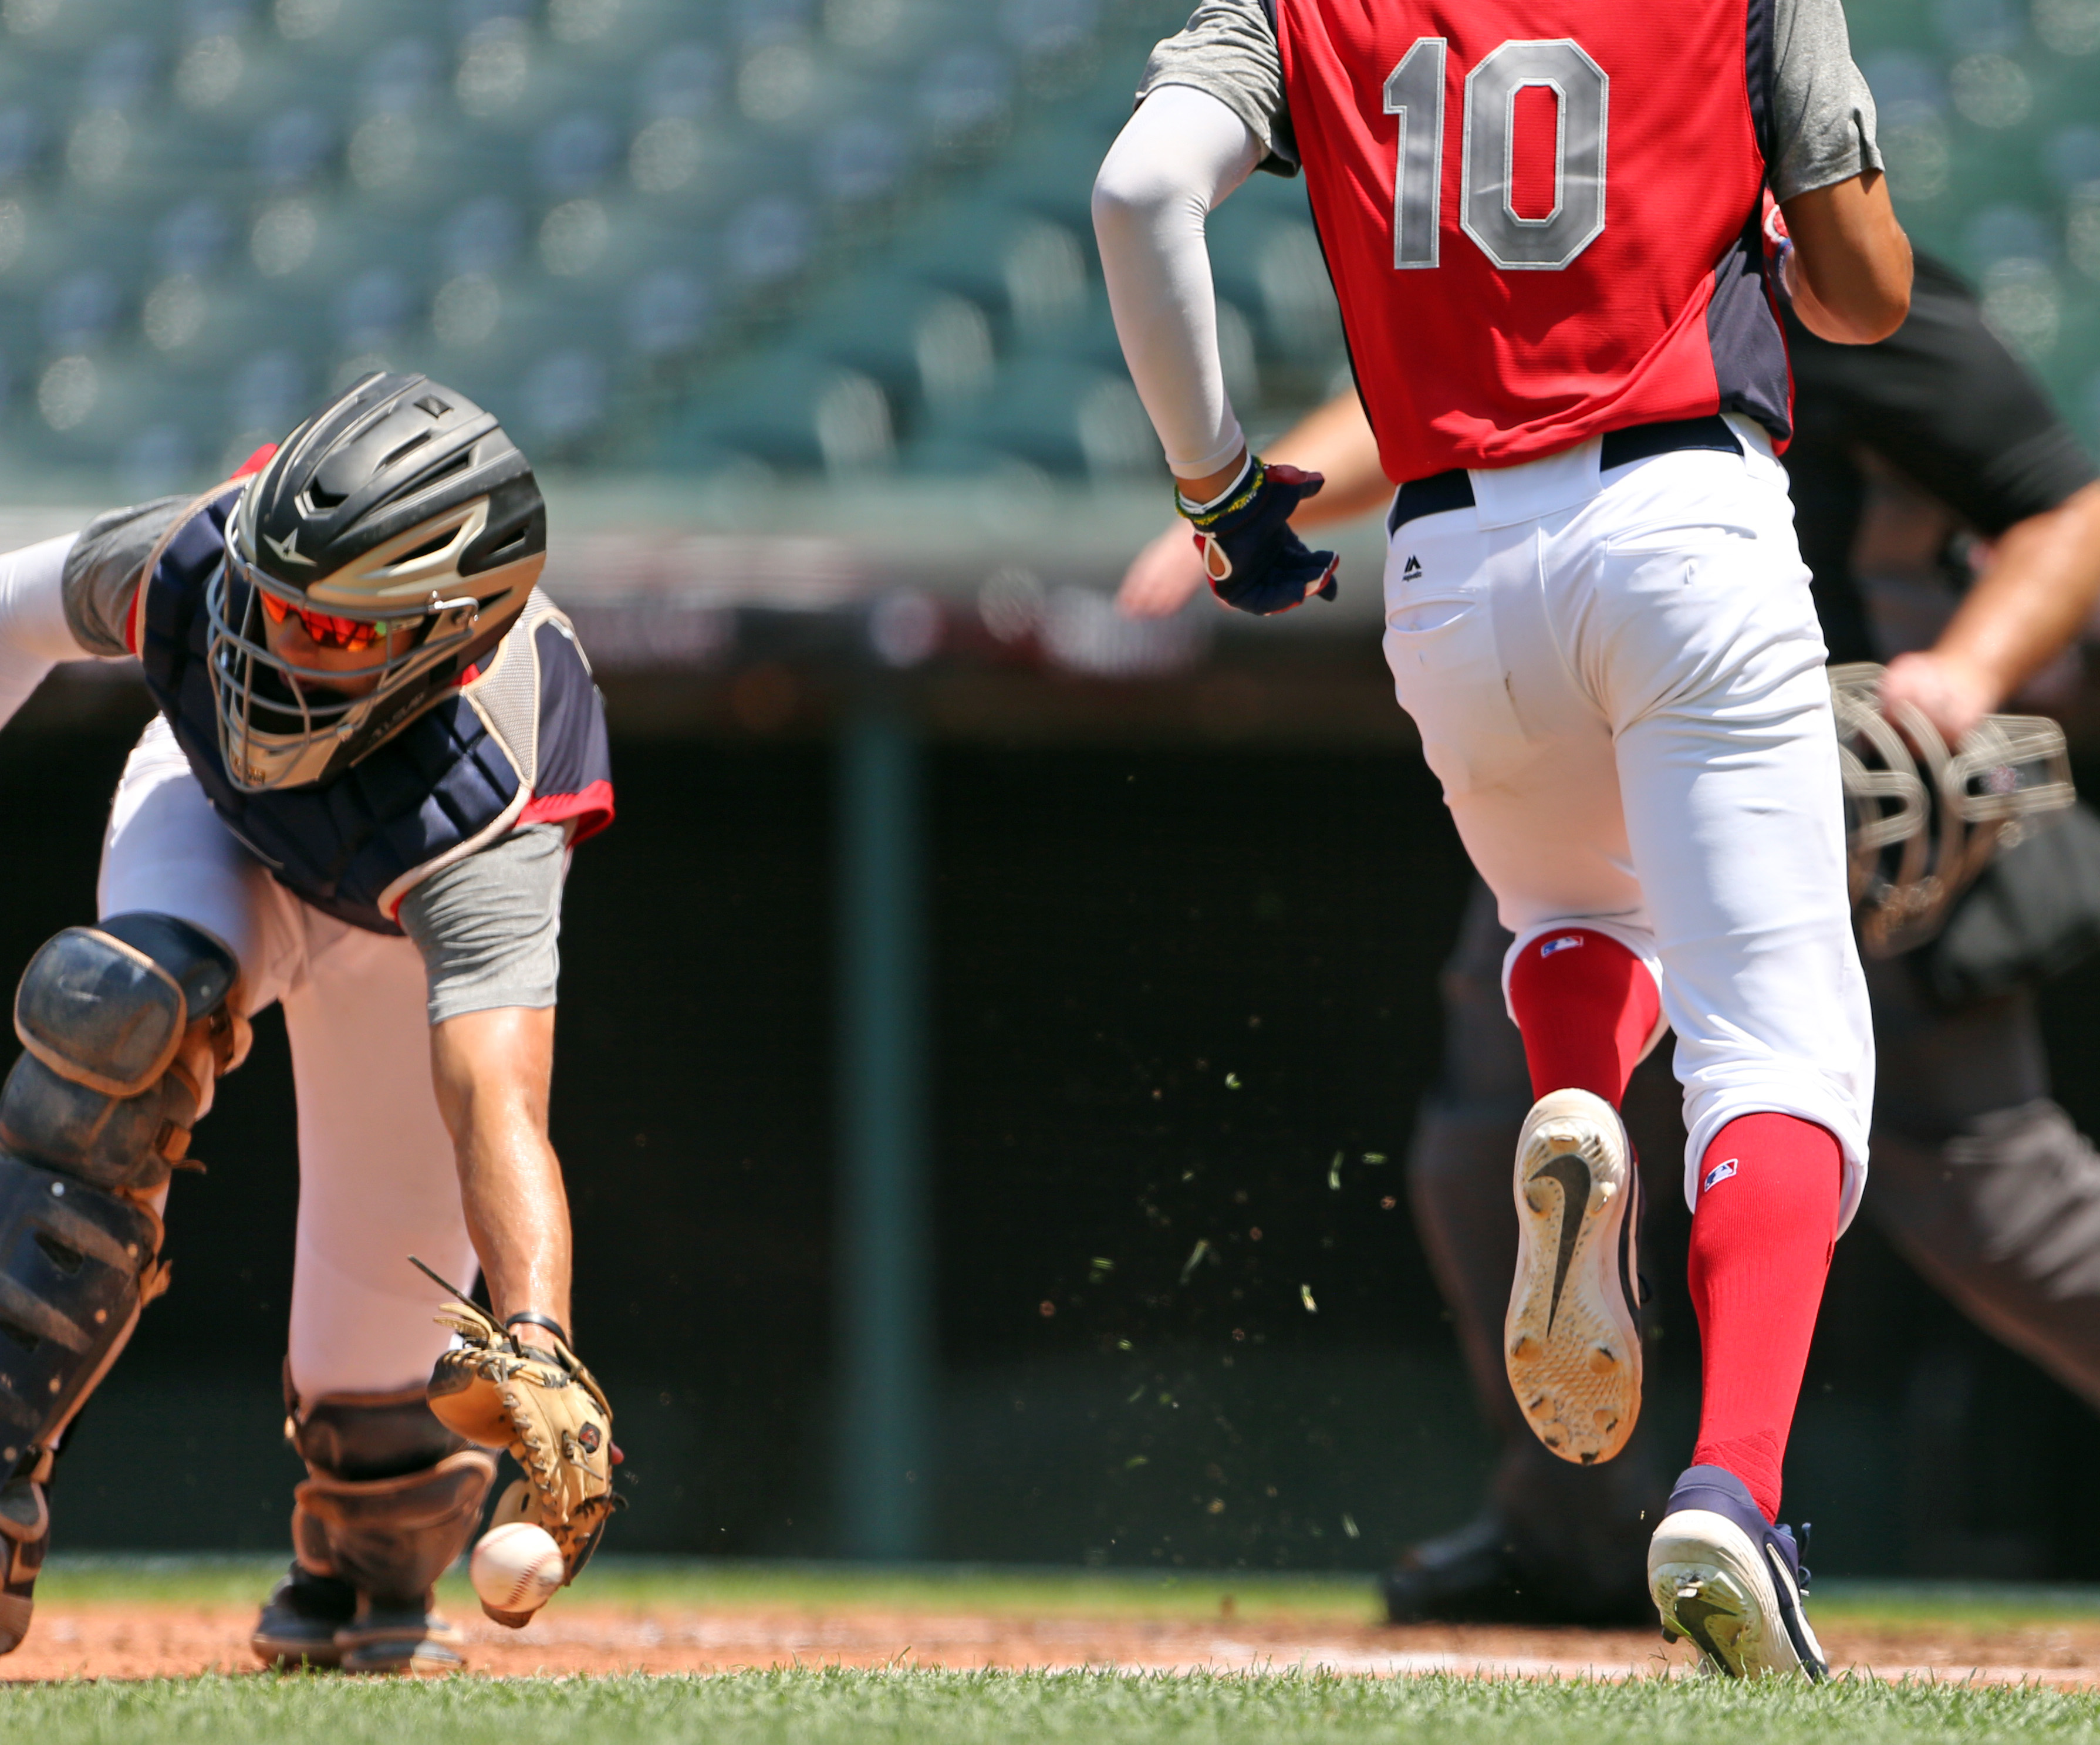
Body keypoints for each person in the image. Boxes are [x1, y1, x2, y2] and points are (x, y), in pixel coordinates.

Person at [1093, 0, 1913, 1677]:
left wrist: (1216, 488)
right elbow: (1863, 292)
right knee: (1784, 1046)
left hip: (1448, 555)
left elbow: (1138, 192)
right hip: (1684, 511)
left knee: (1568, 901)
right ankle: (1733, 1486)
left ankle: (1573, 1094)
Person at [1127, 250, 2100, 1623]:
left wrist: (1969, 670)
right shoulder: (1601, 258)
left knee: (1998, 1197)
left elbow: (2068, 505)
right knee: (1490, 1150)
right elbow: (1423, 392)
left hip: (1839, 782)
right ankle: (1573, 1527)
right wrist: (1261, 487)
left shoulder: (1826, 280)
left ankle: (1603, 1513)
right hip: (1637, 719)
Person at [0, 372, 617, 1673]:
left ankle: (361, 1569)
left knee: (380, 1391)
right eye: (274, 602)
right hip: (212, 815)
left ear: (446, 642)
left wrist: (540, 1340)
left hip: (392, 926)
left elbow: (497, 1103)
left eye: (332, 634)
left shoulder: (489, 803)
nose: (274, 643)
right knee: (119, 1017)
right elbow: (11, 614)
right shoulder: (195, 555)